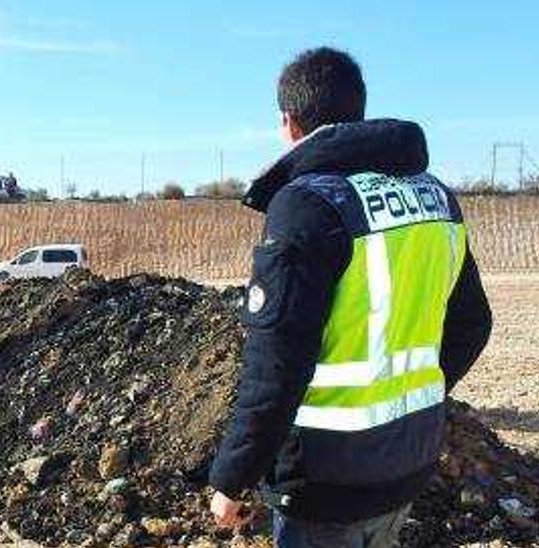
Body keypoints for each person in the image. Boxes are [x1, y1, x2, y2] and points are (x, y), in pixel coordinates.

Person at [207, 47, 493, 548]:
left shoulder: (306, 205)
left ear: (289, 121)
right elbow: (472, 323)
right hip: (408, 460)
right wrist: (415, 401)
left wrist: (233, 476)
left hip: (326, 480)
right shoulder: (435, 199)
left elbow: (278, 362)